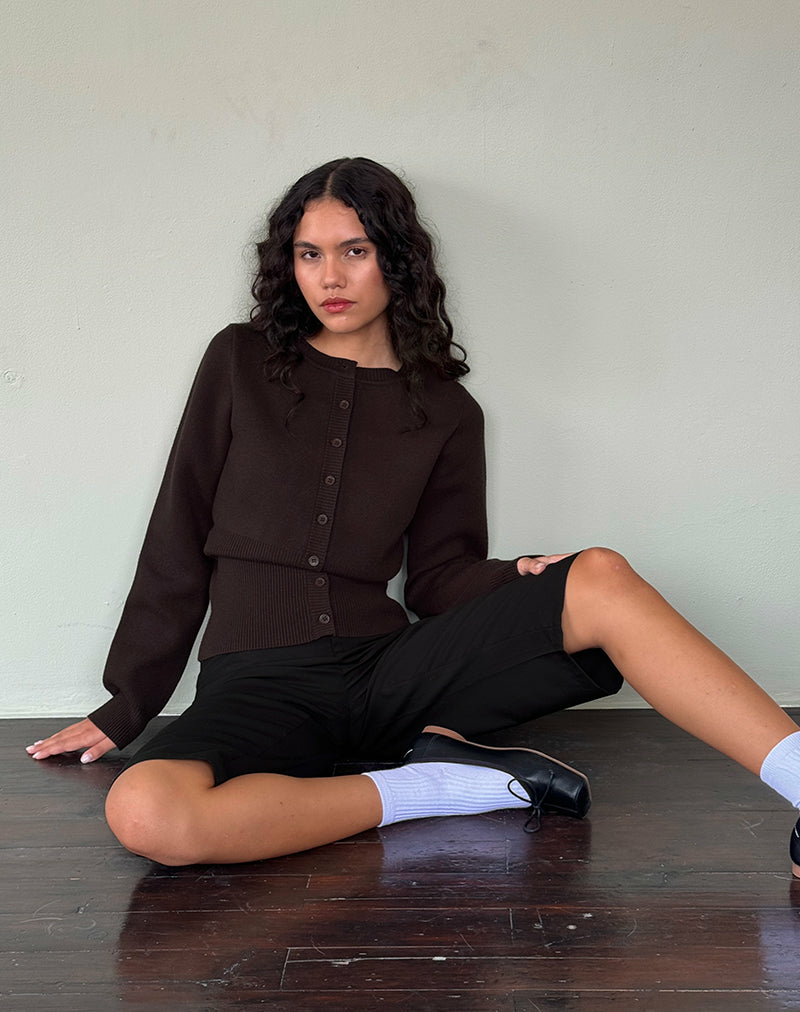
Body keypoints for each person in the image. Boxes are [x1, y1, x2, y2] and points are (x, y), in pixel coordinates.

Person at [27, 157, 800, 874]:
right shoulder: (239, 361)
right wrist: (130, 703)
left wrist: (516, 575)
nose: (330, 276)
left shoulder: (448, 411)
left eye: (354, 251)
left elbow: (437, 579)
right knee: (147, 811)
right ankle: (432, 786)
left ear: (395, 260)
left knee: (598, 574)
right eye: (309, 254)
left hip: (388, 676)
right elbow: (178, 530)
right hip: (257, 683)